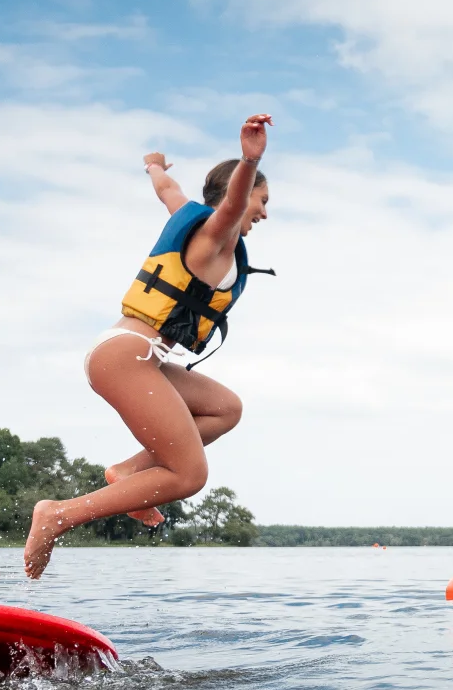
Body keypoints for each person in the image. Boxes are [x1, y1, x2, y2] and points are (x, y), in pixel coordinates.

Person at [24, 114, 275, 578]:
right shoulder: (217, 236)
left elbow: (167, 191)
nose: (263, 211)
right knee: (189, 475)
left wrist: (154, 166)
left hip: (141, 355)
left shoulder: (194, 222)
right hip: (126, 355)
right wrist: (248, 160)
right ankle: (58, 514)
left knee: (225, 408)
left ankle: (128, 472)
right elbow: (232, 204)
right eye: (262, 200)